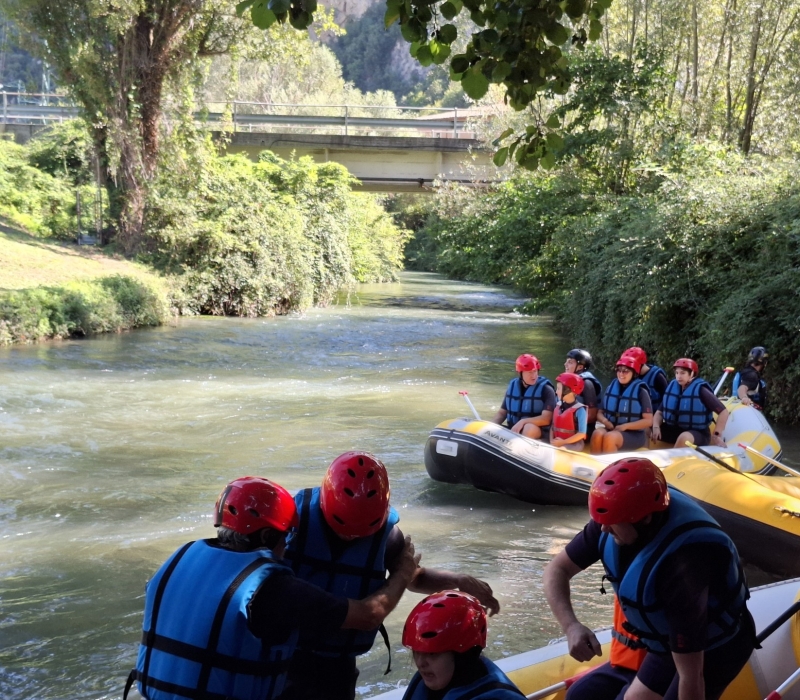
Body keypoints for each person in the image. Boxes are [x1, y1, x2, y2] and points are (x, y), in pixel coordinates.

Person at [125, 475, 419, 700]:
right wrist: (403, 574)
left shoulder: (180, 558)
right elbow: (368, 614)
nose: (287, 544)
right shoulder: (273, 589)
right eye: (285, 535)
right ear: (266, 535)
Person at [282, 452, 500, 700]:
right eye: (343, 528)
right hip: (283, 656)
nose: (352, 537)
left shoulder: (386, 535)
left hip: (337, 665)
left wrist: (459, 581)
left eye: (361, 533)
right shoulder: (290, 521)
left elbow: (411, 577)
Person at [543, 458, 756, 700]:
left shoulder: (683, 568)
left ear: (643, 519)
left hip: (716, 647)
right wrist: (571, 626)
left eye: (613, 523)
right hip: (667, 643)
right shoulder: (612, 519)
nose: (603, 529)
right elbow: (556, 570)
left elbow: (691, 676)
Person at [401, 590, 524, 699]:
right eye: (416, 652)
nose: (420, 663)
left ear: (464, 656)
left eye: (432, 654)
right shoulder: (425, 681)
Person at [564, 596, 647, 700]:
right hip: (624, 662)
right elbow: (554, 578)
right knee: (577, 695)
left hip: (662, 661)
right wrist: (571, 626)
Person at [652, 358, 730, 448]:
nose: (678, 376)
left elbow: (723, 412)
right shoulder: (673, 387)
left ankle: (674, 460)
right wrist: (656, 426)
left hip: (698, 433)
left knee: (684, 437)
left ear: (692, 373)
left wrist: (716, 434)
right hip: (674, 430)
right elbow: (659, 412)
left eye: (682, 373)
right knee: (646, 429)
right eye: (677, 373)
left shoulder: (701, 390)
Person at [591, 354, 653, 454]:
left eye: (625, 371)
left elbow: (648, 421)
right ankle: (596, 467)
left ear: (634, 373)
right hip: (611, 427)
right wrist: (605, 421)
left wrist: (625, 426)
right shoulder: (611, 388)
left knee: (610, 437)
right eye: (619, 370)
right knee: (597, 434)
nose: (621, 374)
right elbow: (600, 413)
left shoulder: (641, 392)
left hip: (634, 434)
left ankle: (610, 469)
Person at [491, 354, 556, 440]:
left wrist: (523, 422)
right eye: (530, 372)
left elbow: (546, 419)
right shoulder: (513, 386)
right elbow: (502, 413)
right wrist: (490, 427)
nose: (533, 376)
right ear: (520, 373)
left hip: (538, 432)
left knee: (528, 427)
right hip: (514, 429)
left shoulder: (547, 389)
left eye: (535, 371)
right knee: (493, 426)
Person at [564, 349, 602, 438]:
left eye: (570, 362)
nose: (565, 364)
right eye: (566, 361)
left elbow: (592, 416)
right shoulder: (568, 382)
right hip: (568, 427)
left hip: (583, 431)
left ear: (580, 367)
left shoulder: (587, 383)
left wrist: (567, 421)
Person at [550, 372, 588, 452]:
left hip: (574, 444)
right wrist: (551, 441)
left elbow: (581, 434)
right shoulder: (558, 406)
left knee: (561, 451)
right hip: (558, 442)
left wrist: (563, 442)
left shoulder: (580, 410)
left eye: (559, 389)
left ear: (568, 390)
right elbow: (552, 427)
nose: (556, 392)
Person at [623, 346, 669, 411]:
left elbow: (668, 399)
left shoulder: (658, 377)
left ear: (640, 364)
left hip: (655, 416)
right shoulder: (630, 376)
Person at [732, 346, 768, 410]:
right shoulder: (752, 375)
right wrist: (744, 397)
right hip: (748, 410)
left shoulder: (745, 372)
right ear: (764, 362)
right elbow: (742, 388)